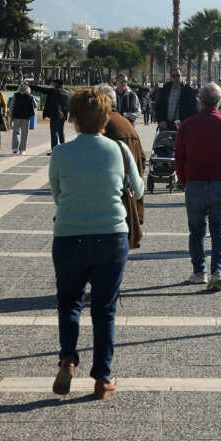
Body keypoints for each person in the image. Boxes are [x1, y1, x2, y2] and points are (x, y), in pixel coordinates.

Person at [48, 88, 143, 400]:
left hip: (68, 236)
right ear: (107, 116)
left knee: (69, 302)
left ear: (73, 118)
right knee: (104, 309)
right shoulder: (118, 150)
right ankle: (102, 378)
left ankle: (67, 358)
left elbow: (58, 195)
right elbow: (138, 190)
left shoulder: (61, 153)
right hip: (110, 236)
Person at [175, 83, 221, 291]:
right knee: (219, 229)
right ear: (220, 100)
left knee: (196, 231)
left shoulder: (187, 126)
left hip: (195, 182)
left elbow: (179, 158)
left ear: (200, 100)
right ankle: (218, 270)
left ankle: (199, 271)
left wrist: (184, 180)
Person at [97, 83, 148, 242]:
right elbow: (142, 160)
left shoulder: (102, 125)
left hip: (112, 206)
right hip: (131, 203)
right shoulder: (126, 123)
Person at [41, 78, 71, 152]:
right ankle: (63, 149)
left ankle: (54, 150)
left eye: (54, 83)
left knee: (54, 132)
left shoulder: (53, 91)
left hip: (54, 115)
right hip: (63, 115)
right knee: (61, 132)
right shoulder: (67, 92)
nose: (53, 84)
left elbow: (41, 89)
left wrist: (31, 86)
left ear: (57, 84)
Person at [9, 82, 38, 155]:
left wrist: (10, 115)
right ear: (28, 89)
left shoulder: (15, 95)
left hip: (16, 116)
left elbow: (11, 105)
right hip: (26, 117)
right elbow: (35, 106)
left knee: (16, 132)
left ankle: (15, 149)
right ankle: (22, 150)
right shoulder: (30, 96)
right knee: (24, 133)